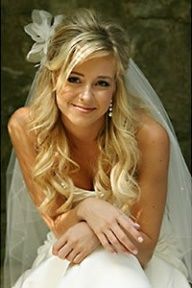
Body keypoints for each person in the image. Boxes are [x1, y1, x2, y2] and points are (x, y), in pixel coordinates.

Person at [4, 8, 191, 288]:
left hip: (138, 258)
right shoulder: (25, 126)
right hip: (70, 248)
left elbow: (145, 249)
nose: (86, 96)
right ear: (53, 78)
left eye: (102, 83)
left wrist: (94, 232)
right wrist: (88, 208)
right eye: (74, 79)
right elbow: (57, 223)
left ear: (116, 88)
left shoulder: (149, 136)